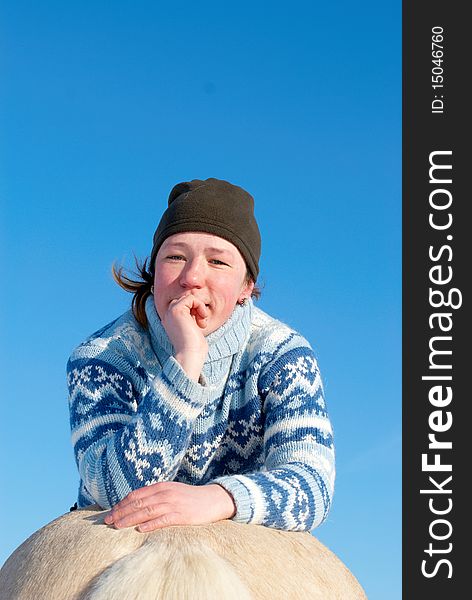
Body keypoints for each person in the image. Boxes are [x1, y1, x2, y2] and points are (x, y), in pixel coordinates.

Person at [67, 177, 335, 533]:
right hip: (121, 537)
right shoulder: (103, 356)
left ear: (246, 287)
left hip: (237, 536)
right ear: (154, 272)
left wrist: (215, 498)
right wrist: (188, 359)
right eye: (175, 257)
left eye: (218, 262)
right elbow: (112, 490)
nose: (192, 277)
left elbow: (312, 485)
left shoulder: (282, 354)